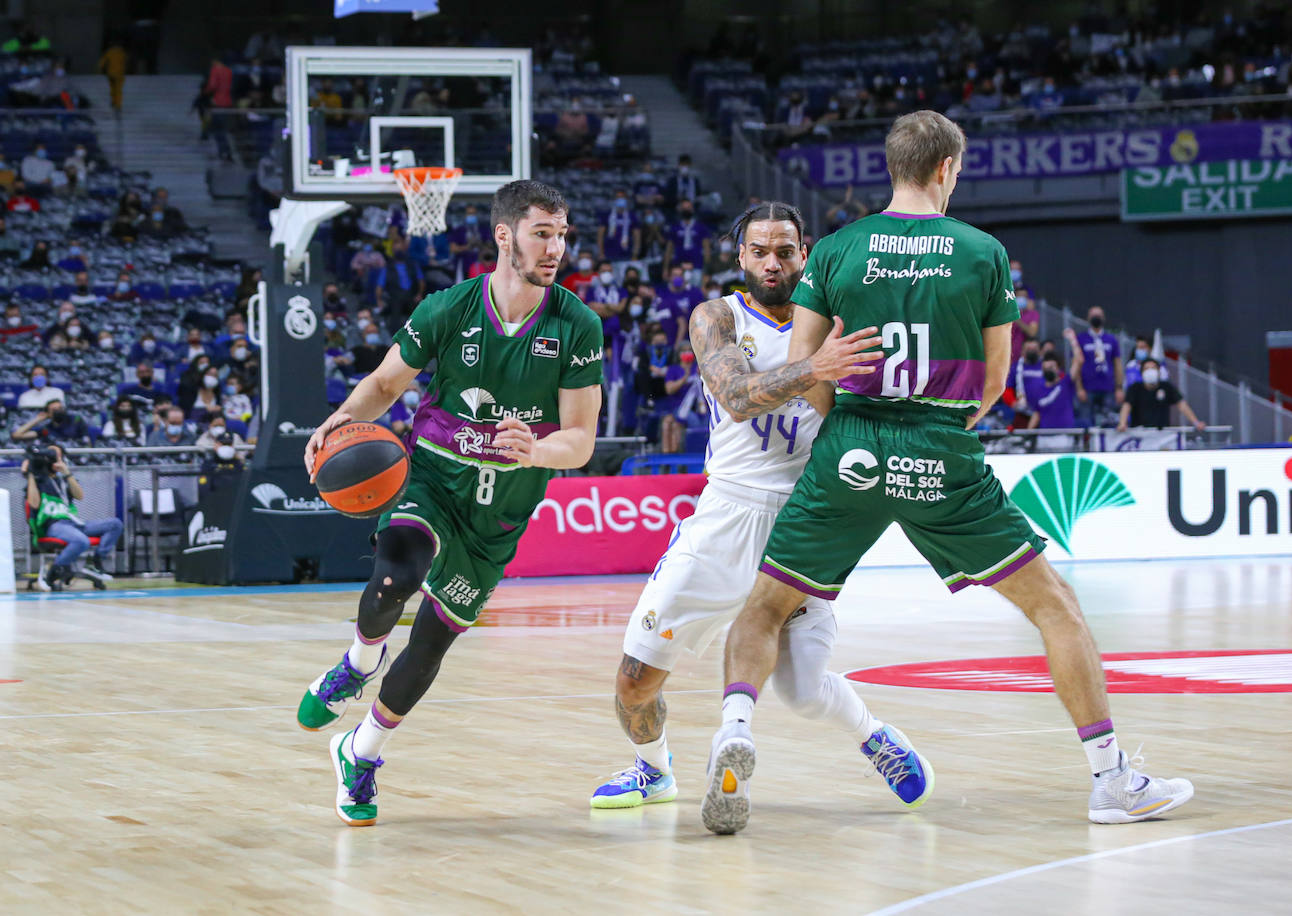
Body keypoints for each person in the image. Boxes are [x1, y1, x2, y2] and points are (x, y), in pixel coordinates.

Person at [700, 111, 1193, 835]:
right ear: (945, 170)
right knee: (1054, 607)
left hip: (851, 451)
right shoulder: (983, 253)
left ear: (894, 167)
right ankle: (1110, 780)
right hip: (941, 449)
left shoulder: (836, 250)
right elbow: (996, 380)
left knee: (764, 611)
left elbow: (807, 368)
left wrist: (856, 423)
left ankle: (734, 727)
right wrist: (942, 429)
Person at [295, 180, 604, 827]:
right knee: (394, 578)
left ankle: (360, 751)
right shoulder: (448, 309)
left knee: (430, 648)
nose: (555, 247)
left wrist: (536, 451)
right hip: (433, 482)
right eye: (542, 233)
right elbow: (384, 383)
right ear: (504, 235)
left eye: (562, 234)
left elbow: (579, 441)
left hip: (499, 516)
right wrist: (339, 420)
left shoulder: (577, 325)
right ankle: (356, 662)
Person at [591, 201, 912, 810]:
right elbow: (737, 397)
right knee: (634, 683)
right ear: (740, 256)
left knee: (804, 689)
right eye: (759, 251)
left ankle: (878, 739)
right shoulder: (717, 317)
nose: (772, 262)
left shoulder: (843, 321)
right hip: (727, 515)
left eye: (784, 251)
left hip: (807, 516)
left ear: (805, 254)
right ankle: (653, 770)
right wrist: (814, 369)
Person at [24, 445, 121, 591]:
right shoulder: (39, 479)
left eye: (57, 456)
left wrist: (67, 473)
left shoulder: (64, 479)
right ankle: (51, 575)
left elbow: (79, 496)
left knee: (115, 524)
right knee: (81, 540)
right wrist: (31, 474)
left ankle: (94, 563)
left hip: (74, 522)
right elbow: (33, 504)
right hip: (54, 525)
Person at [1117, 358, 1206, 432]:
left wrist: (1196, 423)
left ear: (1159, 372)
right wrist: (1122, 423)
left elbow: (1182, 405)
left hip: (1162, 434)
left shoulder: (1166, 386)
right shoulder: (1135, 388)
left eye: (1153, 368)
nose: (1150, 371)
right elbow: (1126, 406)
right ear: (1142, 373)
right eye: (1146, 369)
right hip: (1140, 433)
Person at [1074, 306, 1124, 427]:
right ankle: (1086, 446)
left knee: (1110, 421)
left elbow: (1117, 364)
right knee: (1085, 422)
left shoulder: (1111, 339)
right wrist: (1079, 388)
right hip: (1087, 388)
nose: (1096, 318)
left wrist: (1119, 388)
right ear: (1088, 318)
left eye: (1099, 315)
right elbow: (1076, 364)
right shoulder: (1081, 339)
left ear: (1104, 318)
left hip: (1108, 388)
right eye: (1093, 315)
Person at [13, 398, 87, 444]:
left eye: (60, 408)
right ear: (48, 414)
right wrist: (37, 419)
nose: (59, 411)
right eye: (54, 410)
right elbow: (17, 435)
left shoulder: (75, 421)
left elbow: (87, 441)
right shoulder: (45, 430)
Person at [98, 37, 128, 113]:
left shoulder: (110, 52)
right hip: (119, 74)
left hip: (111, 73)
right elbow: (125, 61)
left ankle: (114, 101)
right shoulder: (122, 52)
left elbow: (103, 61)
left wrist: (100, 68)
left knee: (112, 88)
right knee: (118, 90)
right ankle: (118, 105)